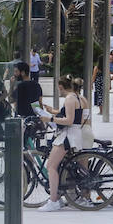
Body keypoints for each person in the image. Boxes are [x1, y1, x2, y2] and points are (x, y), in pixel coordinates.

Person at [37, 75, 85, 211]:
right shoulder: (77, 97)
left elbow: (69, 120)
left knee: (51, 166)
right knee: (60, 167)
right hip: (73, 134)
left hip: (67, 136)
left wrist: (50, 118)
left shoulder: (69, 98)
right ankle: (57, 196)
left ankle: (53, 201)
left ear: (61, 87)